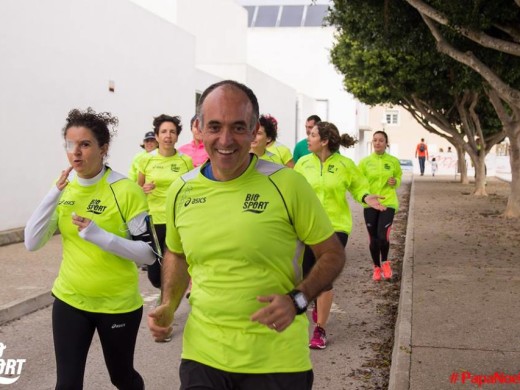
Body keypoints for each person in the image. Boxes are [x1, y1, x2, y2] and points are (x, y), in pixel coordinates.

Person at [147, 80, 346, 390]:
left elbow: (332, 254)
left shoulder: (288, 185)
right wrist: (169, 304)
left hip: (276, 362)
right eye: (214, 126)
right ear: (199, 128)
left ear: (255, 131)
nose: (225, 139)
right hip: (203, 356)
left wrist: (298, 298)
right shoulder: (181, 189)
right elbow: (176, 253)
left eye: (238, 127)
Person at [24, 108, 159, 389]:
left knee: (122, 377)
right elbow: (32, 241)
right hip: (70, 300)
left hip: (117, 305)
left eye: (85, 144)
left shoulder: (125, 190)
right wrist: (53, 193)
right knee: (67, 384)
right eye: (70, 145)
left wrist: (101, 237)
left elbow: (148, 253)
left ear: (103, 148)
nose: (76, 152)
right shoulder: (64, 189)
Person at [294, 122, 385, 349]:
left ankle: (320, 330)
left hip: (336, 228)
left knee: (323, 279)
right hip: (306, 227)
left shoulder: (345, 164)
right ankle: (316, 302)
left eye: (313, 135)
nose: (308, 138)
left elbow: (358, 186)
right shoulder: (303, 164)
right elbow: (291, 193)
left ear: (324, 141)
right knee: (307, 276)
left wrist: (366, 197)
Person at [138, 115, 194, 292]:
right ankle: (164, 290)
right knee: (155, 274)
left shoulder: (185, 161)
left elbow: (192, 188)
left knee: (173, 262)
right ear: (157, 136)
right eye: (163, 132)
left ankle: (167, 300)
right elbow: (138, 187)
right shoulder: (146, 160)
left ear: (177, 136)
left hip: (177, 219)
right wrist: (143, 189)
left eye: (172, 132)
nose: (168, 135)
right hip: (154, 219)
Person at [358, 131, 402, 282]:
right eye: (375, 140)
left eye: (381, 140)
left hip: (388, 202)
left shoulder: (393, 161)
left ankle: (385, 262)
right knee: (374, 238)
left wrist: (394, 181)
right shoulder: (364, 162)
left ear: (386, 143)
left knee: (383, 236)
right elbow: (359, 183)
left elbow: (399, 177)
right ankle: (376, 267)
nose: (377, 143)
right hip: (370, 203)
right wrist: (365, 196)